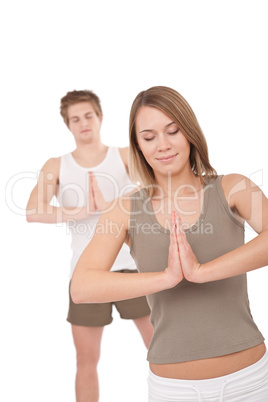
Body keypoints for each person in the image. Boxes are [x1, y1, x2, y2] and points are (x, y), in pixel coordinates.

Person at [71, 86, 268, 401]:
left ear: (189, 132)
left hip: (249, 382)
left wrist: (202, 271)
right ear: (138, 145)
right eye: (149, 137)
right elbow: (81, 287)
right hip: (173, 390)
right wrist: (166, 277)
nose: (163, 145)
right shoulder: (125, 209)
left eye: (173, 131)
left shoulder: (232, 188)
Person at [26, 90, 153, 402]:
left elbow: (155, 191)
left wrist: (116, 205)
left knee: (160, 349)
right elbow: (32, 211)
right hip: (86, 273)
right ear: (68, 125)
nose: (83, 123)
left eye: (88, 116)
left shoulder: (123, 155)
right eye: (75, 119)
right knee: (86, 361)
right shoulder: (57, 165)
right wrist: (78, 210)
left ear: (100, 118)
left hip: (132, 268)